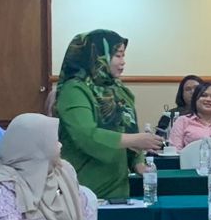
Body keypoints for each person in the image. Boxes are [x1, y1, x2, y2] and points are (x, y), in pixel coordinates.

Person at [55, 29, 163, 200]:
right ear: (97, 56)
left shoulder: (117, 90)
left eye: (123, 56)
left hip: (117, 184)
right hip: (83, 184)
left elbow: (128, 130)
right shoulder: (74, 90)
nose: (123, 62)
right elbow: (86, 136)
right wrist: (135, 140)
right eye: (118, 56)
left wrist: (138, 163)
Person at [0, 113, 98, 220]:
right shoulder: (1, 182)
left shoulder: (63, 172)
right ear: (35, 146)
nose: (60, 145)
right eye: (53, 141)